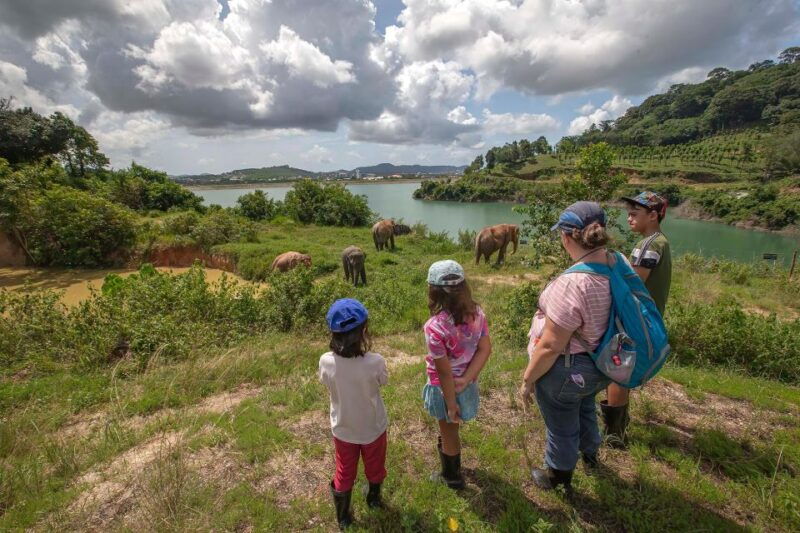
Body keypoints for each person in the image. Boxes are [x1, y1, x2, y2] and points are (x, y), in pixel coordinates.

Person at [520, 201, 614, 491]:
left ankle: (558, 477)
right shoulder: (615, 266)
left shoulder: (573, 282)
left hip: (568, 369)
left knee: (561, 423)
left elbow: (550, 345)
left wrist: (528, 379)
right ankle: (590, 453)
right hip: (601, 364)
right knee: (584, 406)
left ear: (566, 237)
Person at [601, 191, 672, 447]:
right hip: (647, 316)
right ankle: (620, 423)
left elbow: (633, 283)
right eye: (628, 214)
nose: (629, 218)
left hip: (636, 318)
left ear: (653, 216)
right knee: (624, 369)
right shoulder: (660, 241)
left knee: (618, 372)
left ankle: (614, 434)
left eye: (634, 214)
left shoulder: (648, 246)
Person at [319, 298, 388, 530]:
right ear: (364, 331)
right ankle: (374, 499)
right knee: (375, 465)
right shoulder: (375, 362)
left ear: (333, 333)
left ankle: (343, 517)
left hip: (343, 428)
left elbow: (326, 382)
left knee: (344, 470)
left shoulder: (326, 361)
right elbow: (383, 382)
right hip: (373, 427)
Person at [423, 259, 492, 489]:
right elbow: (485, 349)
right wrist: (467, 378)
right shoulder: (477, 314)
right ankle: (448, 449)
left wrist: (451, 404)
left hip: (445, 390)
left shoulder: (434, 327)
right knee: (450, 429)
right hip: (465, 383)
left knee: (450, 429)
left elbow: (444, 372)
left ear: (433, 291)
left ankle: (452, 477)